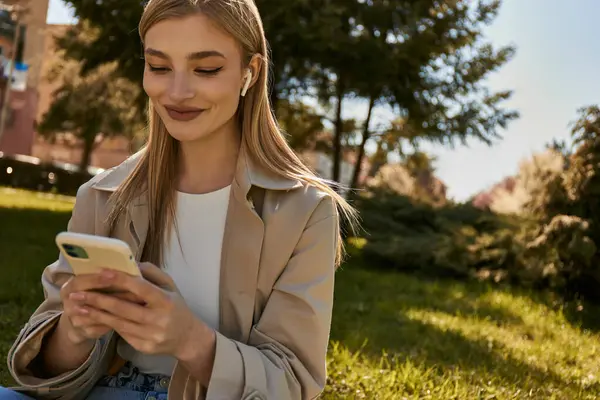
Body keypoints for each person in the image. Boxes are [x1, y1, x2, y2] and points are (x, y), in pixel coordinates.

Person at [0, 0, 357, 399]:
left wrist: (191, 340)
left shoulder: (305, 210)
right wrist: (75, 330)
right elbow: (45, 370)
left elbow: (293, 383)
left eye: (206, 69)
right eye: (159, 66)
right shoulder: (101, 196)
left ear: (249, 73)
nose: (177, 92)